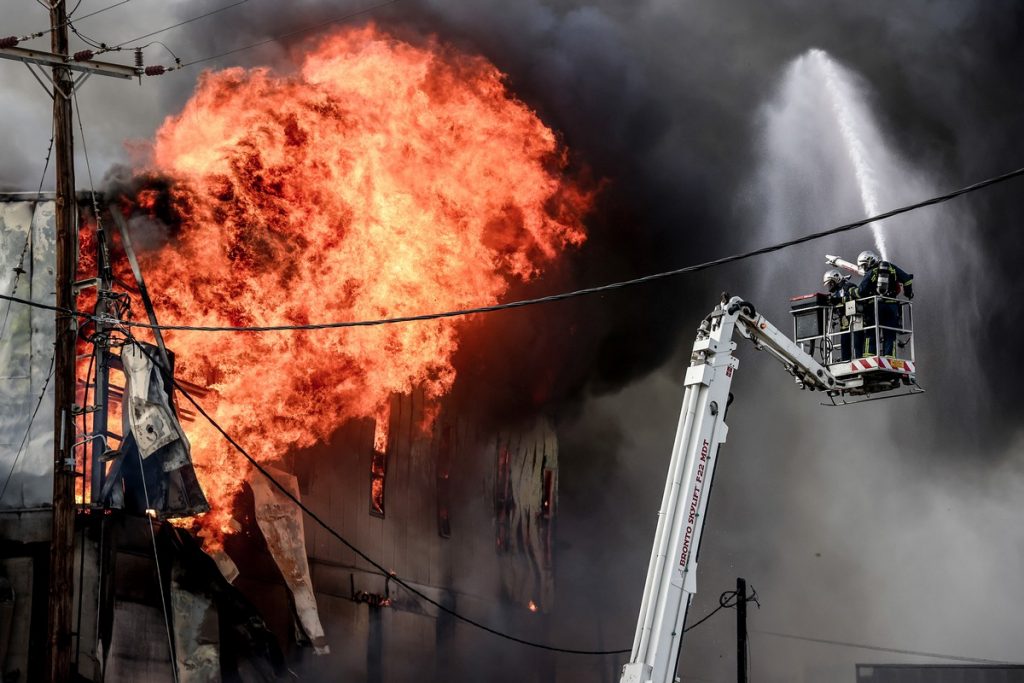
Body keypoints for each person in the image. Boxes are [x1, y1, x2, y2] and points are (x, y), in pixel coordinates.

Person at [856, 250, 914, 356]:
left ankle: (870, 355)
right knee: (890, 333)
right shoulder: (892, 267)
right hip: (892, 306)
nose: (864, 268)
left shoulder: (872, 272)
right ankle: (890, 356)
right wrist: (908, 293)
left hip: (875, 306)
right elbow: (907, 279)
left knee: (871, 332)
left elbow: (861, 291)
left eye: (864, 265)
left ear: (869, 261)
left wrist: (852, 292)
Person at [823, 269, 858, 361]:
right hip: (845, 325)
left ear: (836, 279)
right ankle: (846, 361)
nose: (829, 287)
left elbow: (855, 298)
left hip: (855, 323)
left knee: (857, 344)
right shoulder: (836, 293)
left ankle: (857, 358)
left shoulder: (848, 286)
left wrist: (838, 301)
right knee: (845, 345)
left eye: (830, 283)